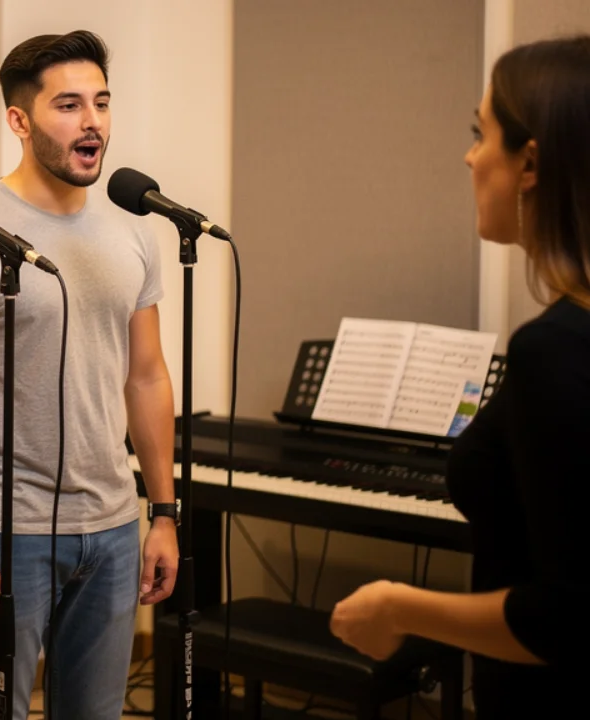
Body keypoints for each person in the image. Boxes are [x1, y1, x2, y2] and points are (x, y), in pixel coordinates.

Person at [330, 35, 590, 718]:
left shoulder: (556, 350)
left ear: (530, 162)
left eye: (482, 135)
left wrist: (398, 606)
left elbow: (563, 618)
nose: (470, 156)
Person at [0, 30, 179, 720]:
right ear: (19, 120)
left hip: (109, 525)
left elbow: (146, 376)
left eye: (101, 104)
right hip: (1, 530)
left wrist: (161, 513)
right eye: (69, 105)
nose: (93, 123)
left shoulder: (134, 232)